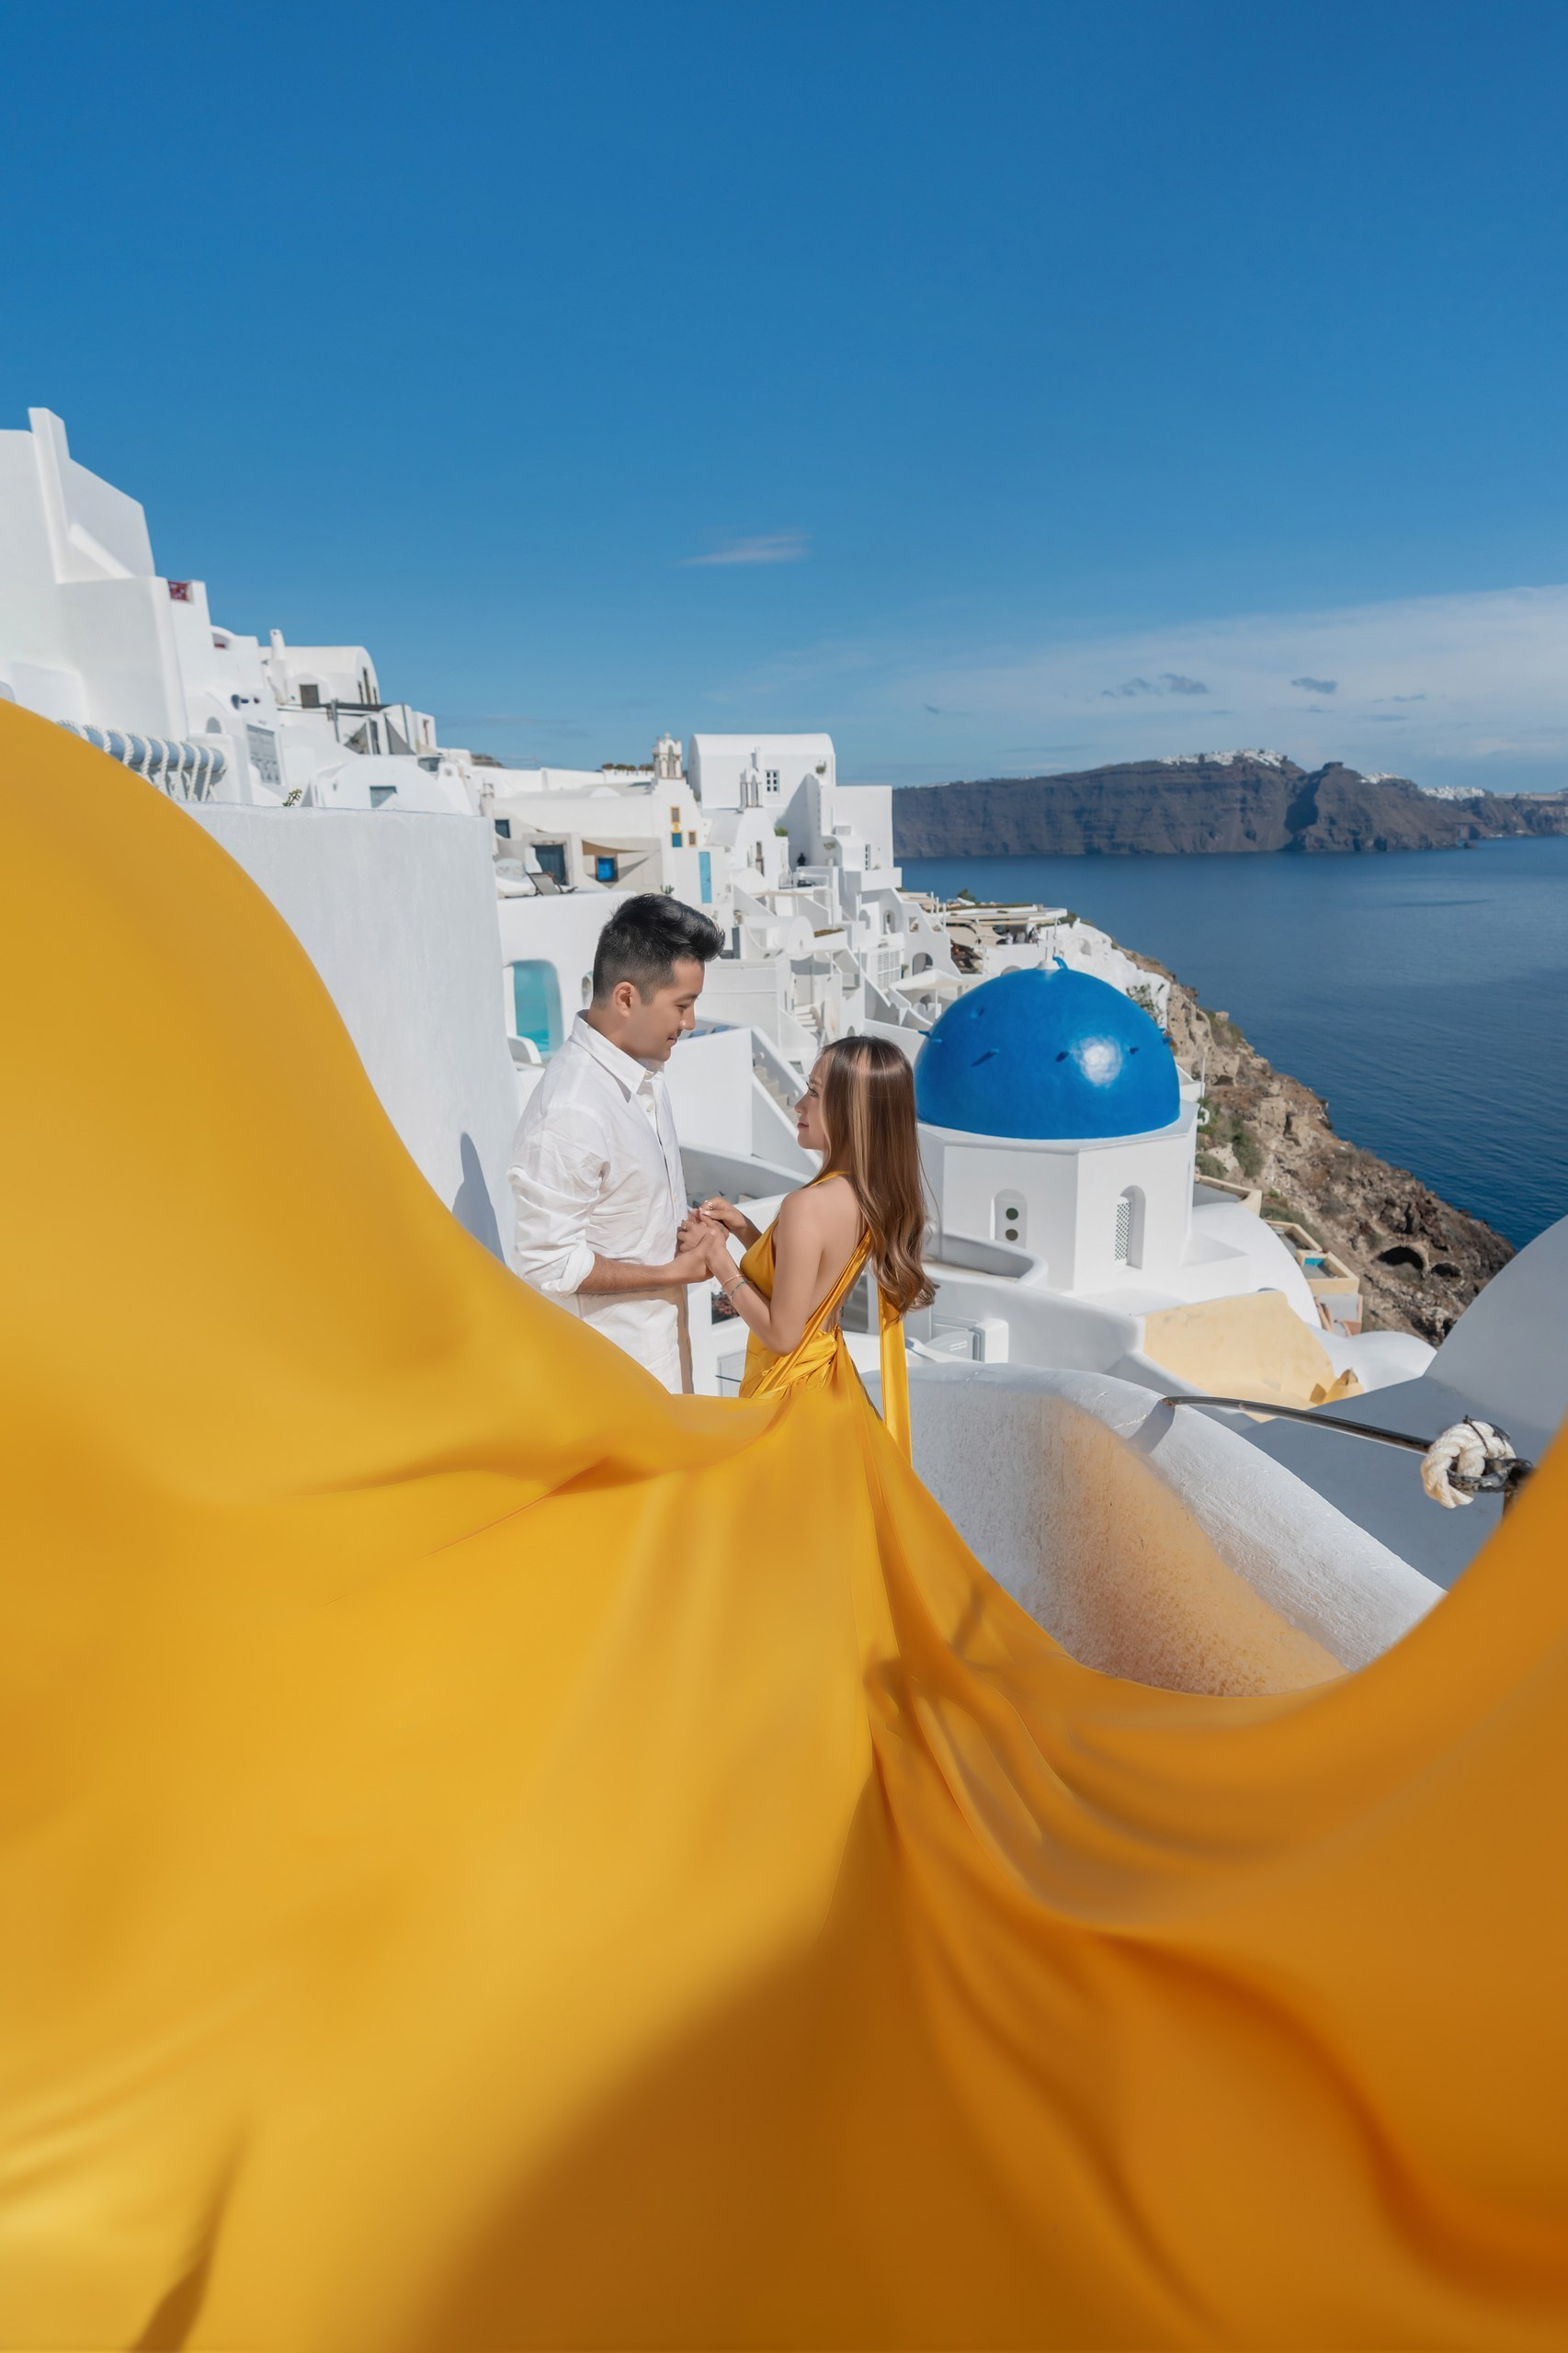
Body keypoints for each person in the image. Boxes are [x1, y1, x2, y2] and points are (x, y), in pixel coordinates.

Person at [7, 702, 1568, 2353]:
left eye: (785, 1069)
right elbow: (622, 1270)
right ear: (630, 995)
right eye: (687, 1007)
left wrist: (723, 1260)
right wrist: (718, 1253)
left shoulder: (793, 1187)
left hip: (749, 1387)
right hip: (739, 1390)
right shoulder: (767, 1167)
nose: (719, 1044)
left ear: (833, 1108)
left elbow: (776, 1318)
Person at [508, 892, 722, 1391]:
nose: (690, 1023)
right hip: (612, 1384)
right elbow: (548, 1263)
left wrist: (689, 1230)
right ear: (626, 998)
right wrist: (674, 1272)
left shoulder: (643, 1073)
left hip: (664, 1368)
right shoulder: (572, 1109)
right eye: (682, 1005)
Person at [680, 1035, 933, 1451]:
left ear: (850, 1110)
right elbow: (809, 1284)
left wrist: (717, 1258)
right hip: (831, 1387)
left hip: (790, 1398)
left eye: (814, 1093)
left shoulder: (807, 1205)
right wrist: (745, 1230)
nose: (799, 1105)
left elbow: (783, 1336)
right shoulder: (869, 1195)